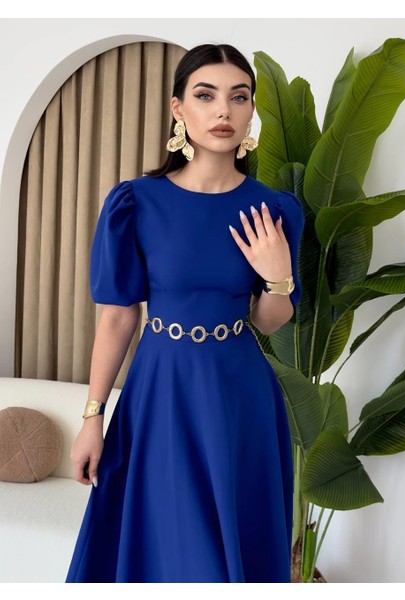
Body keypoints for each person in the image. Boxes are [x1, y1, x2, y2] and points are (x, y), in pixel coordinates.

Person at [66, 43, 304, 583]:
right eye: (205, 95)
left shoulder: (275, 210)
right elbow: (118, 317)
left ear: (251, 111)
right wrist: (92, 418)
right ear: (178, 108)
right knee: (169, 550)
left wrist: (277, 275)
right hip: (160, 392)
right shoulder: (135, 203)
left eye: (238, 97)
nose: (224, 111)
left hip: (239, 396)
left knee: (227, 555)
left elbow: (269, 320)